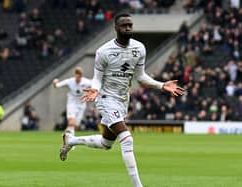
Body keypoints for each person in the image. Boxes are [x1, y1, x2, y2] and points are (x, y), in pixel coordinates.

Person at [59, 13, 185, 187]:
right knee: (127, 138)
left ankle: (71, 140)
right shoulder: (103, 51)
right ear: (116, 28)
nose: (128, 28)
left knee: (106, 143)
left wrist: (161, 85)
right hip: (105, 98)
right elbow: (97, 78)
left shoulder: (139, 48)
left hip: (122, 100)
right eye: (124, 25)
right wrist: (95, 89)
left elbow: (140, 77)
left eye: (130, 25)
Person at [53, 67, 91, 135]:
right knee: (71, 123)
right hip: (72, 103)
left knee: (76, 126)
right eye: (76, 75)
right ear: (75, 75)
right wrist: (55, 83)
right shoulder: (70, 81)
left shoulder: (86, 82)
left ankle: (66, 136)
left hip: (82, 104)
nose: (77, 78)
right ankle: (69, 141)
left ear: (81, 76)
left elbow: (96, 86)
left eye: (79, 76)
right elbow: (57, 85)